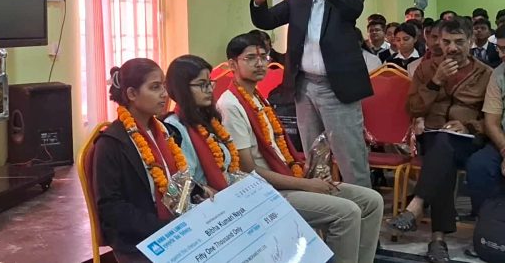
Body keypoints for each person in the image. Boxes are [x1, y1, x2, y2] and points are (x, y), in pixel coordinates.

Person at [216, 33, 383, 263]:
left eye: (264, 56)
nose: (260, 63)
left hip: (286, 179)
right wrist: (307, 185)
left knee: (372, 201)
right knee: (347, 212)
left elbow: (278, 150)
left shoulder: (258, 98)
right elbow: (248, 169)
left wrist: (307, 172)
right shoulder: (230, 104)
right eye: (251, 58)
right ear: (232, 64)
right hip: (265, 191)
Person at [250, 0, 372, 187]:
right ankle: (323, 204)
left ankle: (365, 206)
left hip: (337, 88)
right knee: (314, 156)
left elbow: (352, 10)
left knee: (350, 157)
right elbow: (266, 21)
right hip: (304, 86)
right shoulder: (298, 0)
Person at [389, 19, 491, 263]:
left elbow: (491, 118)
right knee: (442, 152)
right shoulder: (426, 69)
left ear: (470, 42)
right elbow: (413, 109)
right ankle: (436, 238)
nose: (452, 48)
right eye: (446, 42)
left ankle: (419, 211)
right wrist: (435, 81)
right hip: (433, 137)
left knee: (442, 149)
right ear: (438, 42)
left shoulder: (485, 74)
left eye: (459, 42)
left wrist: (468, 125)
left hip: (469, 140)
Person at [93, 58, 186, 263]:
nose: (164, 94)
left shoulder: (164, 131)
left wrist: (198, 193)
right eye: (155, 87)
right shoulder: (111, 143)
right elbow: (111, 208)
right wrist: (164, 227)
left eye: (163, 86)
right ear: (132, 94)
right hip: (140, 240)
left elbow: (175, 178)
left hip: (175, 226)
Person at [163, 55, 239, 192]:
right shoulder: (173, 128)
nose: (209, 90)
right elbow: (186, 182)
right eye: (202, 84)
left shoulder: (209, 120)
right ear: (182, 88)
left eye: (210, 83)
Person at [466, 24, 505, 217]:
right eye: (499, 49)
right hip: (502, 140)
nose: (502, 55)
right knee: (479, 164)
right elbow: (491, 122)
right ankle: (488, 222)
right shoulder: (499, 74)